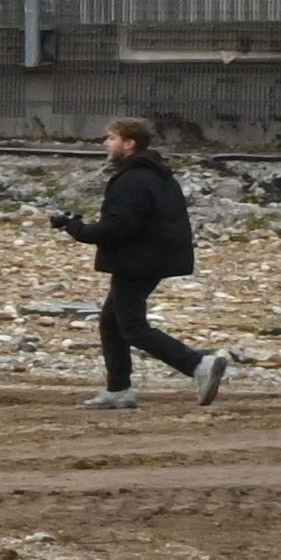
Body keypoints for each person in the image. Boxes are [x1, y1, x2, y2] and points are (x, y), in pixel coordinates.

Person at [52, 115, 231, 409]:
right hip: (152, 258)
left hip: (138, 262)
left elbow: (118, 229)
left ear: (129, 144)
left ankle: (198, 363)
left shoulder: (132, 179)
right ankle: (119, 390)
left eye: (111, 138)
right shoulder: (156, 173)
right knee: (111, 322)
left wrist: (75, 228)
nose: (105, 144)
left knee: (132, 327)